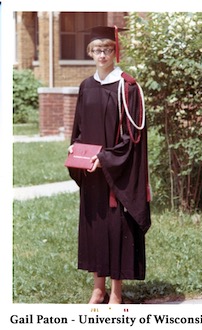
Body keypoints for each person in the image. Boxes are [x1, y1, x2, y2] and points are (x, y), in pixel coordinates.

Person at [67, 26, 151, 304]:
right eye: (96, 50)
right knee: (95, 228)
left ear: (116, 51)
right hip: (90, 174)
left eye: (107, 49)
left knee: (117, 229)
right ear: (90, 53)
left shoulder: (127, 87)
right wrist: (75, 149)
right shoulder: (86, 86)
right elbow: (79, 127)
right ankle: (97, 289)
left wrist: (104, 160)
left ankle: (116, 292)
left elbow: (132, 138)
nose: (102, 55)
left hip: (116, 172)